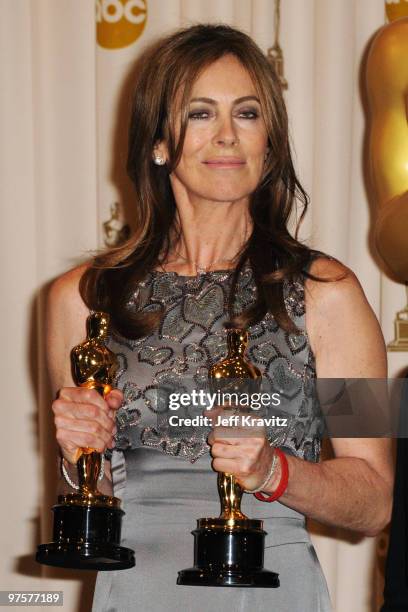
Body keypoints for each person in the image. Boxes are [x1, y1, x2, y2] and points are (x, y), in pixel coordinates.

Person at [48, 24, 393, 612]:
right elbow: (84, 495)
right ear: (159, 142)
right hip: (132, 590)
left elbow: (378, 499)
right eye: (201, 113)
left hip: (270, 591)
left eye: (249, 113)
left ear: (270, 143)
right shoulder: (80, 299)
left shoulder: (332, 293)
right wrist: (76, 455)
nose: (228, 136)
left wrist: (272, 471)